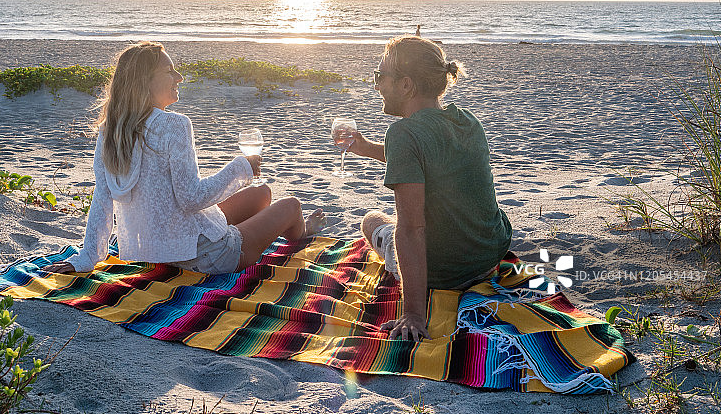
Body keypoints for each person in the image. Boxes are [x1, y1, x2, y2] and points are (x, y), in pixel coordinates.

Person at [44, 41, 324, 276]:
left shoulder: (110, 131)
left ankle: (252, 227)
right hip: (205, 257)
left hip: (153, 251)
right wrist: (241, 167)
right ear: (146, 82)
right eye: (169, 71)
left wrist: (87, 257)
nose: (179, 77)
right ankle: (300, 234)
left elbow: (102, 201)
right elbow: (191, 197)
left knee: (261, 193)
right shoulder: (174, 125)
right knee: (291, 206)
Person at [344, 35, 511, 342]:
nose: (376, 85)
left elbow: (410, 230)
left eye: (380, 77)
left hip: (445, 273)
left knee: (371, 220)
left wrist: (413, 314)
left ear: (406, 85)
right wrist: (366, 148)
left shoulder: (404, 133)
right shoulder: (467, 121)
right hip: (489, 258)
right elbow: (427, 160)